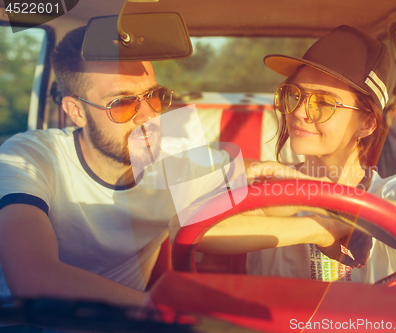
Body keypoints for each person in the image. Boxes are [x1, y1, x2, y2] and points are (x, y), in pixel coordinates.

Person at [193, 25, 396, 283]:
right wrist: (321, 228)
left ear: (366, 123)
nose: (299, 112)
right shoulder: (271, 179)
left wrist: (333, 202)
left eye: (324, 103)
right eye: (295, 94)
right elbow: (194, 230)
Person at [0, 26, 230, 309]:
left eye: (154, 96)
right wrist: (156, 311)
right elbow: (32, 276)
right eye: (122, 104)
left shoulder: (177, 159)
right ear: (76, 112)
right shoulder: (30, 156)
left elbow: (263, 195)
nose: (148, 116)